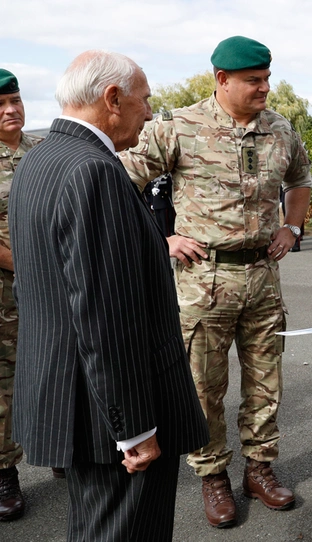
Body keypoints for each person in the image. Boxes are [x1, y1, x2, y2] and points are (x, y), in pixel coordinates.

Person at [8, 51, 209, 541]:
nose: (149, 112)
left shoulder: (40, 158)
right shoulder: (93, 170)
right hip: (110, 413)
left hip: (71, 396)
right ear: (112, 99)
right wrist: (134, 427)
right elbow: (105, 315)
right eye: (144, 101)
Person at [120, 35, 311, 528]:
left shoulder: (280, 128)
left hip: (262, 277)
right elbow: (120, 181)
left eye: (267, 78)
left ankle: (260, 469)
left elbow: (301, 180)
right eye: (254, 81)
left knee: (266, 381)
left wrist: (292, 228)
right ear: (222, 80)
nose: (265, 88)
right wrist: (161, 238)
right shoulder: (179, 126)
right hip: (204, 279)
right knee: (203, 386)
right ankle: (212, 475)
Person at [0, 68, 42, 522]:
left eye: (14, 100)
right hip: (5, 294)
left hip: (46, 289)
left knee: (57, 367)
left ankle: (62, 448)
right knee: (4, 386)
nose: (11, 109)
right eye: (0, 105)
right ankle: (5, 473)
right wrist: (28, 266)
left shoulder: (38, 150)